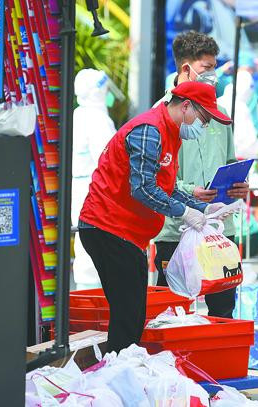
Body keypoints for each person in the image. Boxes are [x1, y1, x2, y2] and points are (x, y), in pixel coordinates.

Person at [78, 81, 232, 353]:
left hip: (125, 232)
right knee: (128, 314)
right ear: (186, 106)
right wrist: (185, 212)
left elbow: (166, 187)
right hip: (108, 227)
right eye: (204, 119)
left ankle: (122, 365)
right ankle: (119, 367)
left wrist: (203, 208)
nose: (204, 126)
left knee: (134, 312)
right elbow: (143, 189)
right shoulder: (150, 130)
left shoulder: (170, 133)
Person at [154, 31, 248, 319]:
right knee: (172, 310)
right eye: (206, 68)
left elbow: (230, 160)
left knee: (223, 309)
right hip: (177, 229)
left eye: (214, 68)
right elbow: (156, 180)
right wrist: (191, 192)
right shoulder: (160, 115)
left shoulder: (220, 113)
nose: (213, 76)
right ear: (186, 68)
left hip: (220, 229)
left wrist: (240, 185)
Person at [71, 69, 117, 290]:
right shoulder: (97, 119)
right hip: (94, 189)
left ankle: (86, 291)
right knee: (93, 243)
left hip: (80, 186)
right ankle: (91, 295)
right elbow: (109, 159)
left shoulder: (77, 114)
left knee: (84, 243)